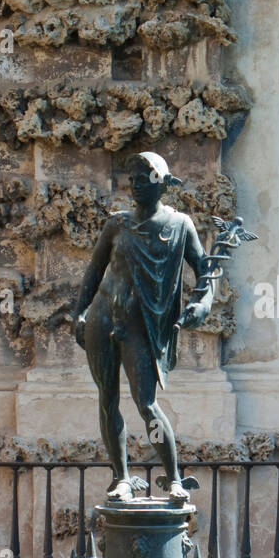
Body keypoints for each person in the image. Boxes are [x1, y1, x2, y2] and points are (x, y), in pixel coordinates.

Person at [73, 151, 213, 501]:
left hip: (140, 325)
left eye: (143, 179)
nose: (135, 185)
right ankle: (121, 478)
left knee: (146, 404)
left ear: (162, 184)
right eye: (132, 179)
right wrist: (79, 312)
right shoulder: (116, 225)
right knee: (107, 399)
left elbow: (206, 273)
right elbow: (94, 272)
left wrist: (202, 304)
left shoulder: (180, 225)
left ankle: (174, 478)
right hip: (102, 318)